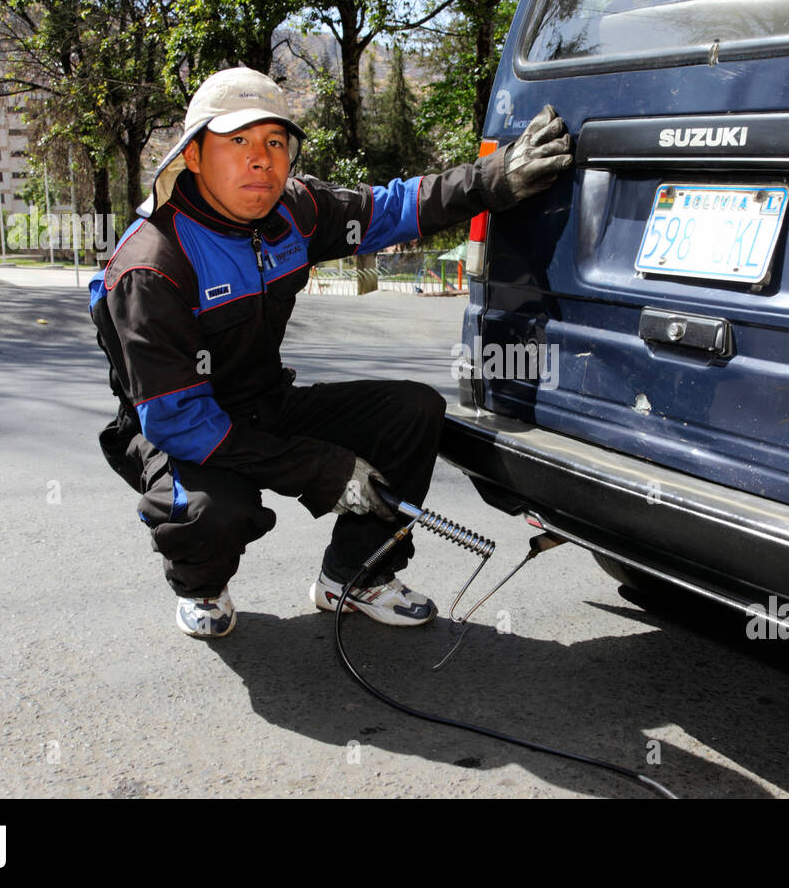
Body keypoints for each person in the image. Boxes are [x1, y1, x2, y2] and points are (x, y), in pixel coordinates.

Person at [88, 67, 572, 638]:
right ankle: (202, 585)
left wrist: (495, 178)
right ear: (192, 156)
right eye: (237, 142)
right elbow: (179, 421)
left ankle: (356, 576)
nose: (261, 160)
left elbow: (393, 209)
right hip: (177, 428)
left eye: (274, 142)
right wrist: (324, 470)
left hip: (265, 402)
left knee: (412, 411)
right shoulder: (153, 265)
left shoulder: (294, 212)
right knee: (212, 511)